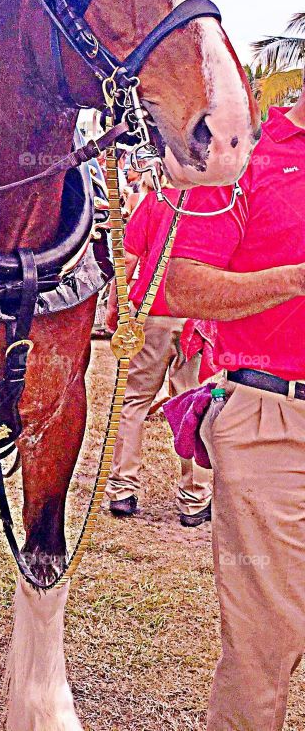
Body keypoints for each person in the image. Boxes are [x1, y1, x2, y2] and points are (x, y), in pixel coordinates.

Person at [165, 89, 305, 731]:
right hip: (272, 421)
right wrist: (296, 279)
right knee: (263, 646)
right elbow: (185, 283)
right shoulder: (240, 156)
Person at [105, 171, 213, 525]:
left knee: (133, 400)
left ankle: (122, 489)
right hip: (195, 316)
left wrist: (114, 307)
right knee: (192, 404)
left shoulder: (156, 201)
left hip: (152, 313)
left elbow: (130, 260)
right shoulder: (215, 205)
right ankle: (195, 498)